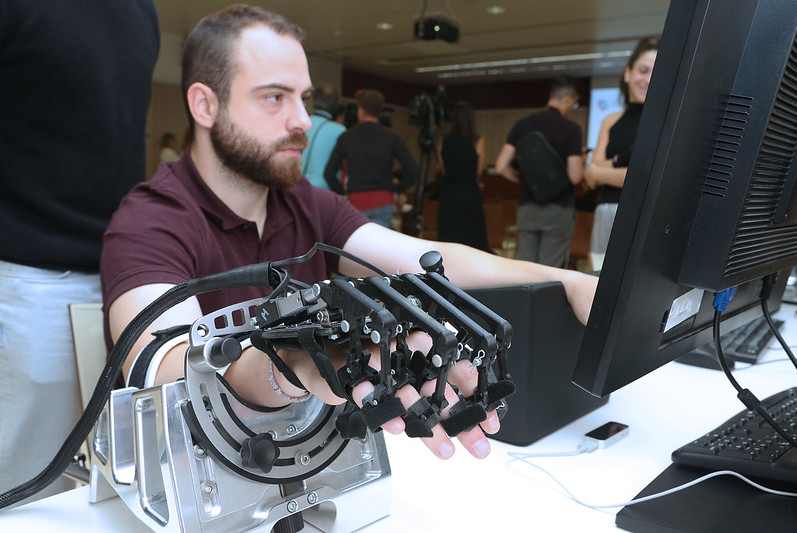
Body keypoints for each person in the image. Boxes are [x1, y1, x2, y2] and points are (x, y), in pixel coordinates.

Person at [101, 4, 597, 463]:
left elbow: (429, 260)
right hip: (202, 471)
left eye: (304, 98)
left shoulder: (308, 205)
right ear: (205, 106)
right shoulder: (152, 217)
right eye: (275, 97)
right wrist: (293, 364)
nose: (301, 120)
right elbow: (160, 367)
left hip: (314, 462)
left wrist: (566, 279)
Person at [0, 0, 159, 500]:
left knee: (105, 488)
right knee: (23, 487)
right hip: (29, 275)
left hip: (119, 277)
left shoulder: (140, 10)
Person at [585, 37, 659, 270]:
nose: (647, 80)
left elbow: (644, 178)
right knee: (597, 279)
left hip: (642, 213)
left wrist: (603, 169)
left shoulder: (659, 122)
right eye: (643, 70)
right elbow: (589, 176)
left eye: (655, 73)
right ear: (628, 73)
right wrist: (621, 169)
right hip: (605, 212)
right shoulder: (610, 120)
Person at [494, 76, 585, 268]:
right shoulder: (571, 129)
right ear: (568, 98)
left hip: (527, 207)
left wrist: (523, 179)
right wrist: (582, 159)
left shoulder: (522, 125)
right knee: (549, 270)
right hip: (558, 209)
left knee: (526, 267)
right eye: (574, 104)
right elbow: (575, 176)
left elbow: (501, 165)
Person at [323, 89, 420, 228]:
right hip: (383, 200)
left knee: (354, 247)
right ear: (379, 112)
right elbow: (413, 171)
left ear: (360, 110)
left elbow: (329, 174)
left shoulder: (347, 137)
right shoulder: (392, 138)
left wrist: (343, 195)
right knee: (378, 247)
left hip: (356, 201)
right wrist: (395, 189)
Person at [435, 101, 491, 251]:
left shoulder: (443, 141)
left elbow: (444, 170)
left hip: (449, 193)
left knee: (449, 238)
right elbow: (479, 172)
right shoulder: (478, 141)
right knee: (473, 238)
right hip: (470, 193)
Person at [300, 83, 346, 189]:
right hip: (323, 189)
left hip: (296, 185)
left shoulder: (302, 123)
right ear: (335, 105)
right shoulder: (339, 130)